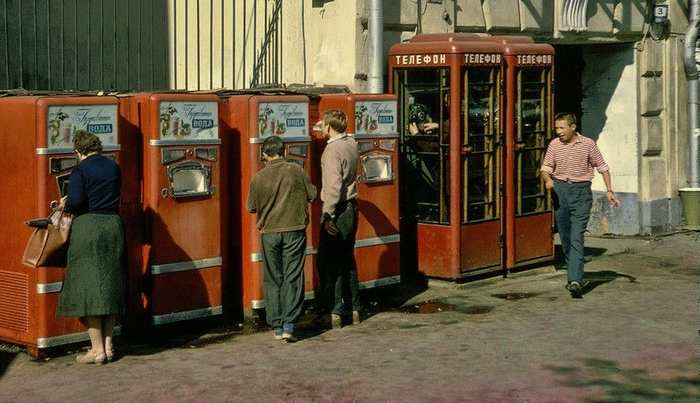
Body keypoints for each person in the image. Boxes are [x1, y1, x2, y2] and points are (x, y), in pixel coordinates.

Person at [55, 130, 127, 364]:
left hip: (89, 228)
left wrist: (64, 202)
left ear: (78, 151)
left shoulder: (80, 169)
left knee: (88, 289)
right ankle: (108, 347)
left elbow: (76, 202)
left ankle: (96, 351)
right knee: (109, 287)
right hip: (113, 226)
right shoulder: (113, 167)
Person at [540, 112, 621, 298]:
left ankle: (575, 280)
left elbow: (603, 167)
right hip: (560, 192)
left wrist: (609, 191)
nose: (558, 132)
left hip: (581, 193)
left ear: (573, 127)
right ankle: (574, 272)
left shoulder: (588, 144)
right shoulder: (554, 145)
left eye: (562, 128)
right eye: (556, 128)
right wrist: (547, 180)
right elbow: (546, 168)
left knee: (576, 236)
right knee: (566, 238)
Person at [246, 136, 316, 342]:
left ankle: (276, 325)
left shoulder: (258, 178)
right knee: (292, 276)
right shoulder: (296, 170)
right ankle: (289, 325)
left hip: (269, 233)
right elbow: (312, 194)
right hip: (294, 229)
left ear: (265, 155)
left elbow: (251, 206)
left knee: (273, 277)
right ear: (284, 151)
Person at [316, 109, 361, 329]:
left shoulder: (331, 151)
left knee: (327, 262)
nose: (320, 126)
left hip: (338, 210)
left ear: (329, 127)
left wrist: (327, 215)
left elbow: (333, 187)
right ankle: (354, 309)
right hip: (352, 207)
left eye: (323, 124)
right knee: (347, 260)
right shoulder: (351, 143)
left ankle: (333, 313)